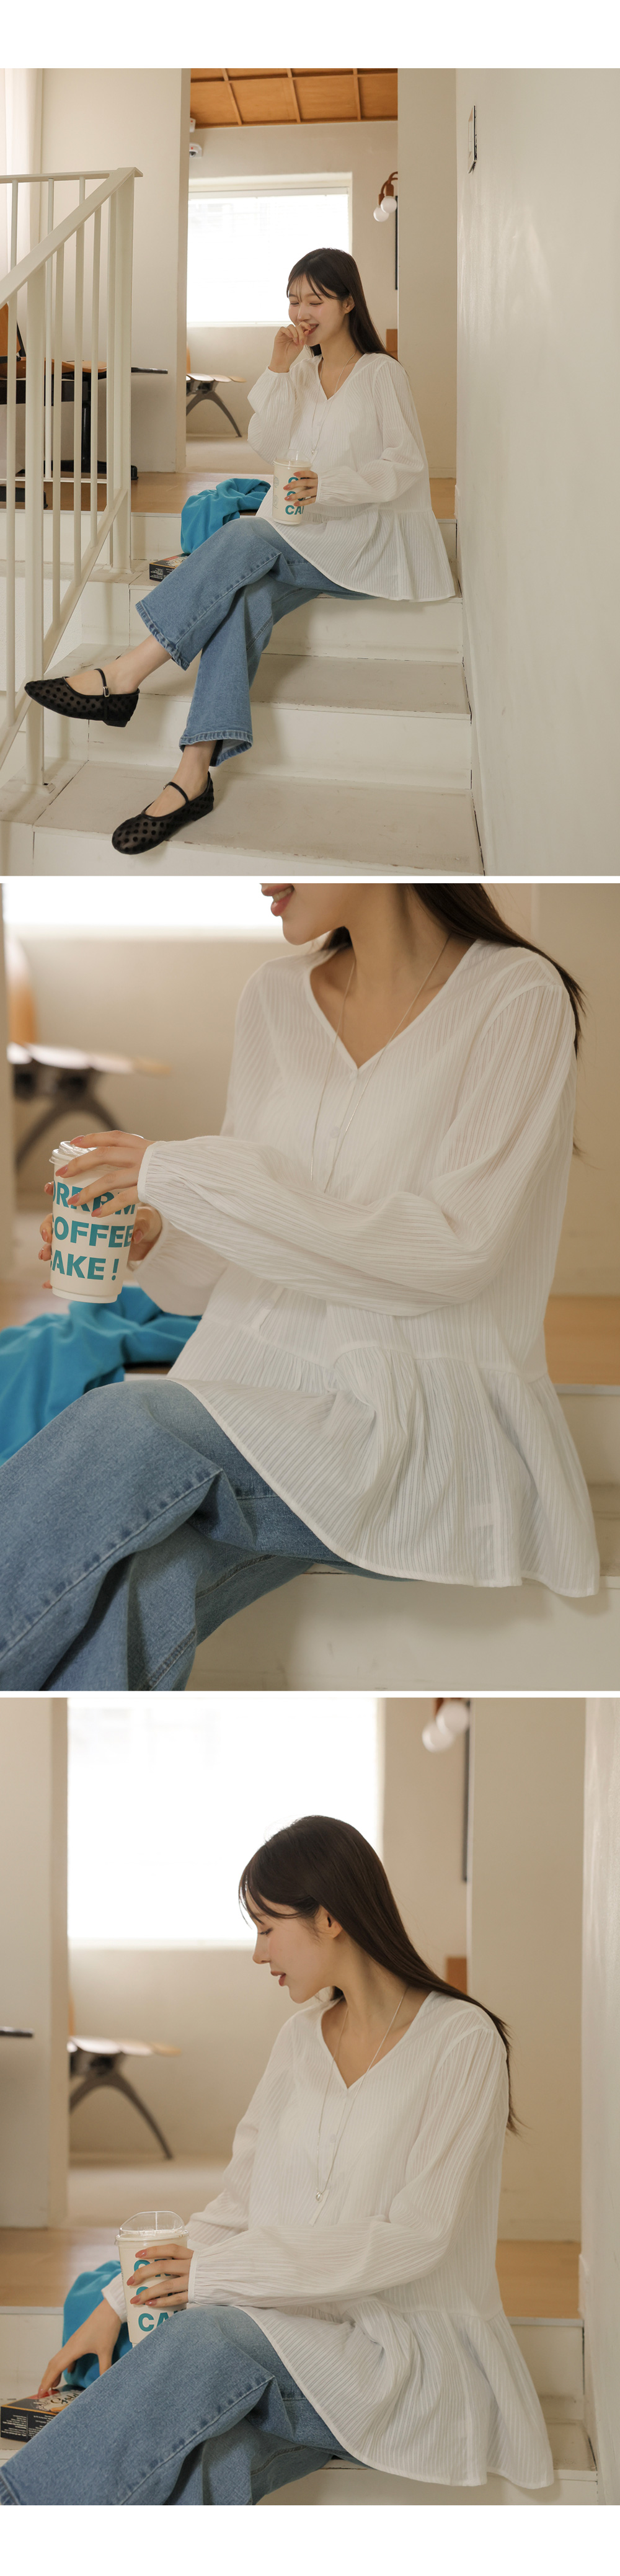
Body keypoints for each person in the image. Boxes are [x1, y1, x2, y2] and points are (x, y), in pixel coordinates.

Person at [0, 881, 599, 1694]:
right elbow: (243, 1257)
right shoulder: (273, 997)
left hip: (413, 1431)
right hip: (258, 1397)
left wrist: (179, 1172)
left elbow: (454, 1252)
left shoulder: (516, 996)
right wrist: (162, 1232)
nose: (259, 878)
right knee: (141, 1590)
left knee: (127, 1422)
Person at [0, 1815, 554, 2507]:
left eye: (266, 1927)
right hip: (295, 2347)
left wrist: (212, 2278)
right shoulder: (298, 2040)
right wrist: (116, 2302)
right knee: (208, 2467)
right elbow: (236, 2210)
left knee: (208, 2335)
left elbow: (418, 2237)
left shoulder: (462, 2041)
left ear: (329, 1917)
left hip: (403, 2360)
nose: (258, 1952)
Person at [24, 248, 453, 855]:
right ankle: (192, 776)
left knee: (247, 534)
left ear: (348, 303)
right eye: (293, 300)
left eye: (315, 300)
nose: (301, 313)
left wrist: (330, 486)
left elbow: (406, 466)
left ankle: (126, 673)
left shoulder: (383, 374)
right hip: (306, 534)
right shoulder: (300, 370)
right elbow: (267, 444)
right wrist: (277, 369)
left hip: (363, 540)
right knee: (245, 604)